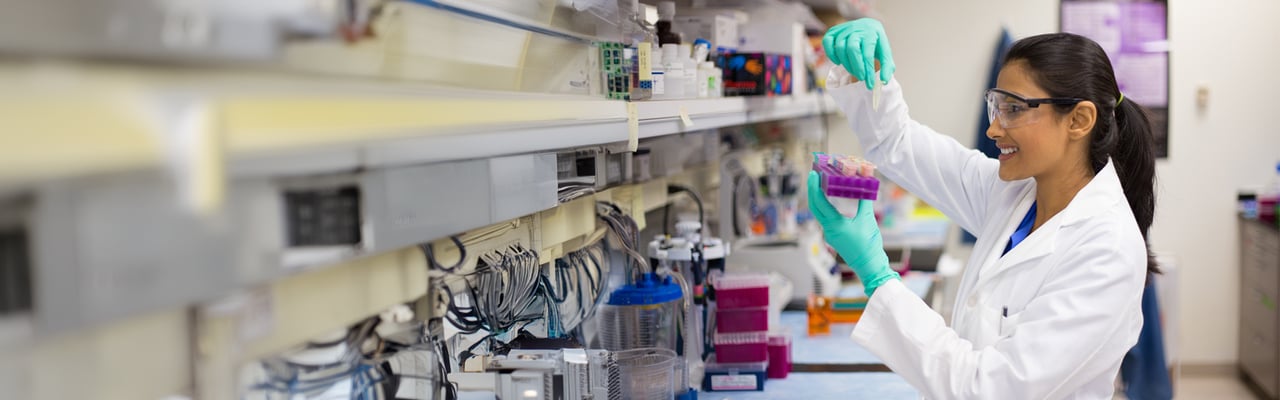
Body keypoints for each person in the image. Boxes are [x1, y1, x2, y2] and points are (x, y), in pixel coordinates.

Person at [813, 19, 1158, 399]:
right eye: (997, 105)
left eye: (1014, 109)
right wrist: (867, 75)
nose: (994, 128)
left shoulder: (1108, 249)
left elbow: (990, 390)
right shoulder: (1015, 194)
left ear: (1078, 120)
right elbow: (898, 144)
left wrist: (877, 275)